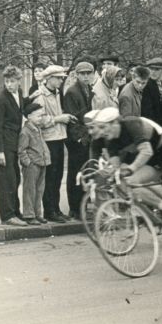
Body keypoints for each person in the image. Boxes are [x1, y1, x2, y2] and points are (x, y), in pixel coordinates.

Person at [90, 107, 162, 255]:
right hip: (150, 160)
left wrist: (131, 168)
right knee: (127, 183)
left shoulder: (132, 124)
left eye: (103, 127)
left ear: (115, 123)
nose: (102, 132)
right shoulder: (110, 140)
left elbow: (146, 150)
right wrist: (106, 174)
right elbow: (115, 165)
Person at [34, 65, 77, 223]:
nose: (60, 80)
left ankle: (56, 208)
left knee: (58, 175)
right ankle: (49, 210)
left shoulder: (58, 93)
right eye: (58, 78)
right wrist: (59, 119)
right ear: (49, 78)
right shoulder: (40, 95)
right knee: (50, 176)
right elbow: (39, 119)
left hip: (59, 138)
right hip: (48, 140)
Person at [0, 65, 30, 226]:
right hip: (4, 144)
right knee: (7, 180)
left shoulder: (18, 93)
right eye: (7, 81)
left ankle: (15, 211)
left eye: (12, 81)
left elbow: (20, 110)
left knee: (15, 178)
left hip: (14, 143)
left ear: (19, 81)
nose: (9, 84)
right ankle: (7, 215)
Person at [64, 61, 95, 218]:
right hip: (77, 140)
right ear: (77, 75)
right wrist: (80, 138)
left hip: (86, 137)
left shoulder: (89, 89)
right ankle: (74, 208)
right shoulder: (72, 92)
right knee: (75, 173)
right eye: (83, 73)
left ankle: (83, 204)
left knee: (85, 171)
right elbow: (73, 119)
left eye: (89, 73)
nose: (86, 76)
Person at [18, 103, 52, 225]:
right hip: (32, 165)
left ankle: (38, 214)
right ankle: (29, 214)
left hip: (41, 163)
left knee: (39, 190)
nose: (41, 118)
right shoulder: (26, 131)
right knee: (29, 190)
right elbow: (21, 150)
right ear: (29, 116)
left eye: (42, 115)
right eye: (38, 116)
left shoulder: (37, 128)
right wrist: (28, 163)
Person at [141, 57, 162, 126]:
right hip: (151, 124)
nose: (153, 72)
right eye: (151, 69)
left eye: (157, 69)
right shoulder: (147, 84)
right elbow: (147, 111)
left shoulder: (161, 83)